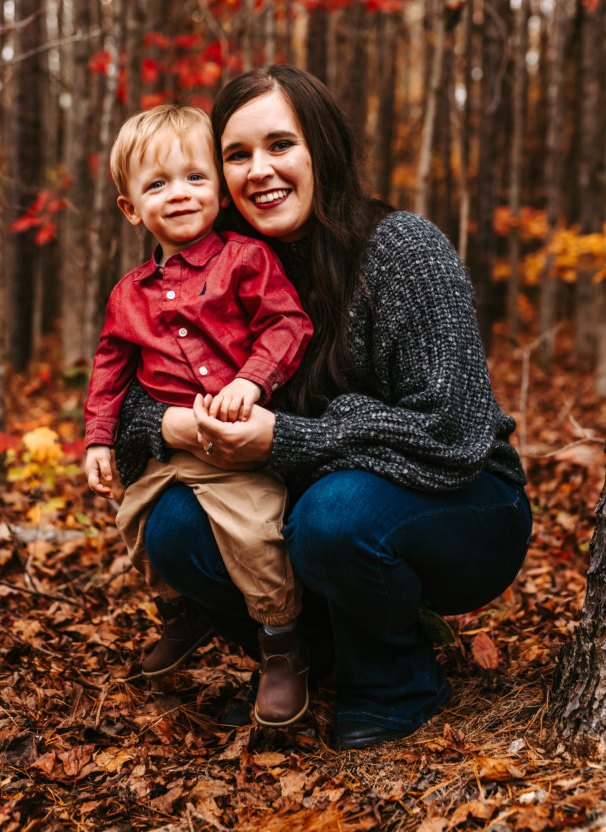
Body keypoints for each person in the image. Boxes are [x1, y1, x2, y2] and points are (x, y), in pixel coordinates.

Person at [113, 65, 532, 750]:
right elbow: (129, 398)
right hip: (315, 507)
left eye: (281, 144)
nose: (259, 171)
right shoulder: (207, 267)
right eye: (236, 154)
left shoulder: (401, 249)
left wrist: (286, 439)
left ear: (322, 149)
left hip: (462, 507)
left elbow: (452, 431)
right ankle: (315, 664)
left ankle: (397, 681)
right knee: (176, 526)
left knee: (333, 513)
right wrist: (169, 422)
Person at [83, 104, 314, 727]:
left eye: (194, 177)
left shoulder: (245, 260)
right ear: (131, 207)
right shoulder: (128, 294)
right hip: (165, 451)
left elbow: (288, 324)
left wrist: (251, 381)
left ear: (218, 186)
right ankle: (180, 615)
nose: (178, 195)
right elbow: (110, 369)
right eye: (156, 185)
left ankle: (282, 650)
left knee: (256, 535)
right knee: (134, 522)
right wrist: (99, 440)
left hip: (232, 445)